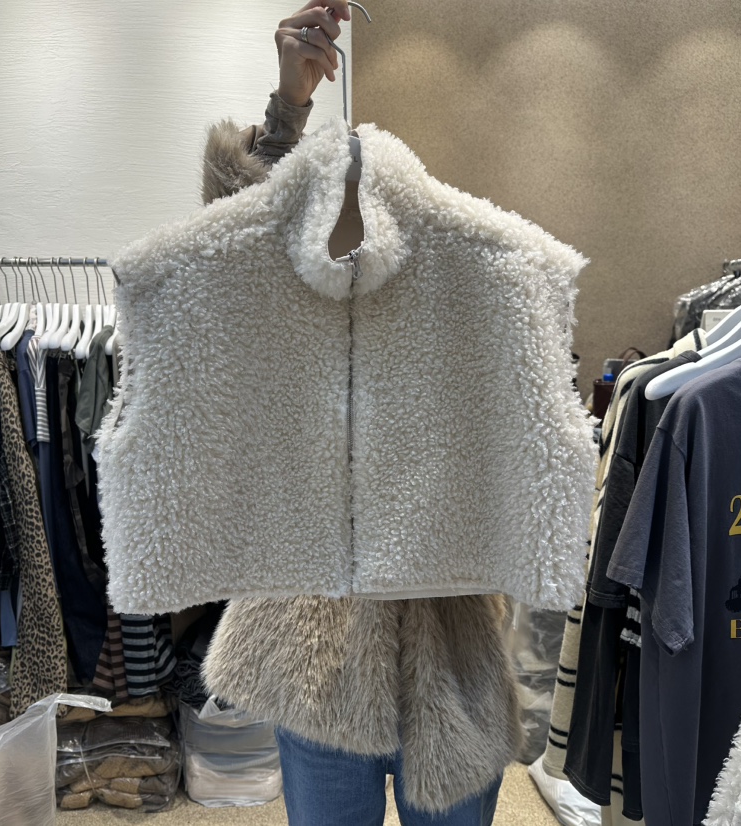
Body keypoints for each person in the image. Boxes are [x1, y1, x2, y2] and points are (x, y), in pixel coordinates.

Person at [200, 2, 520, 823]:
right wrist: (288, 108)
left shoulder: (473, 303)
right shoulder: (296, 327)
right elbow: (237, 243)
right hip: (316, 658)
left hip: (456, 659)